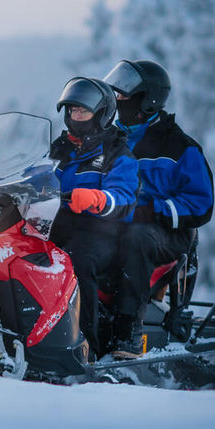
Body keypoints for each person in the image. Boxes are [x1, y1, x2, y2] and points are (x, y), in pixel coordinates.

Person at [103, 59, 214, 356]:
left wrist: (154, 211)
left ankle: (128, 333)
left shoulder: (179, 147)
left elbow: (201, 204)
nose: (117, 101)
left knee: (137, 238)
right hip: (117, 224)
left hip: (168, 232)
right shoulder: (110, 140)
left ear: (147, 100)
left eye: (124, 95)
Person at [50, 77, 138, 359]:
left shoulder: (115, 151)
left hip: (101, 233)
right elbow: (34, 175)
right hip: (57, 225)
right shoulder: (60, 148)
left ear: (101, 114)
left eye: (83, 111)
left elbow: (125, 197)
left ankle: (86, 345)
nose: (76, 116)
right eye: (72, 110)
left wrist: (98, 199)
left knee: (75, 263)